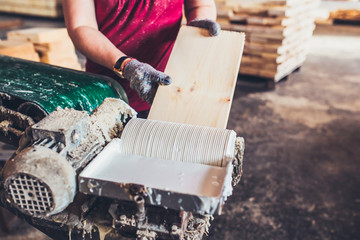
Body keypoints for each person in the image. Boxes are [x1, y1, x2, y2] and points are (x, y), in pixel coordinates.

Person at [62, 0, 220, 117]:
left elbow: (199, 5)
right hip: (105, 92)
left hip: (168, 87)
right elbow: (81, 26)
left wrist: (199, 22)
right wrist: (127, 65)